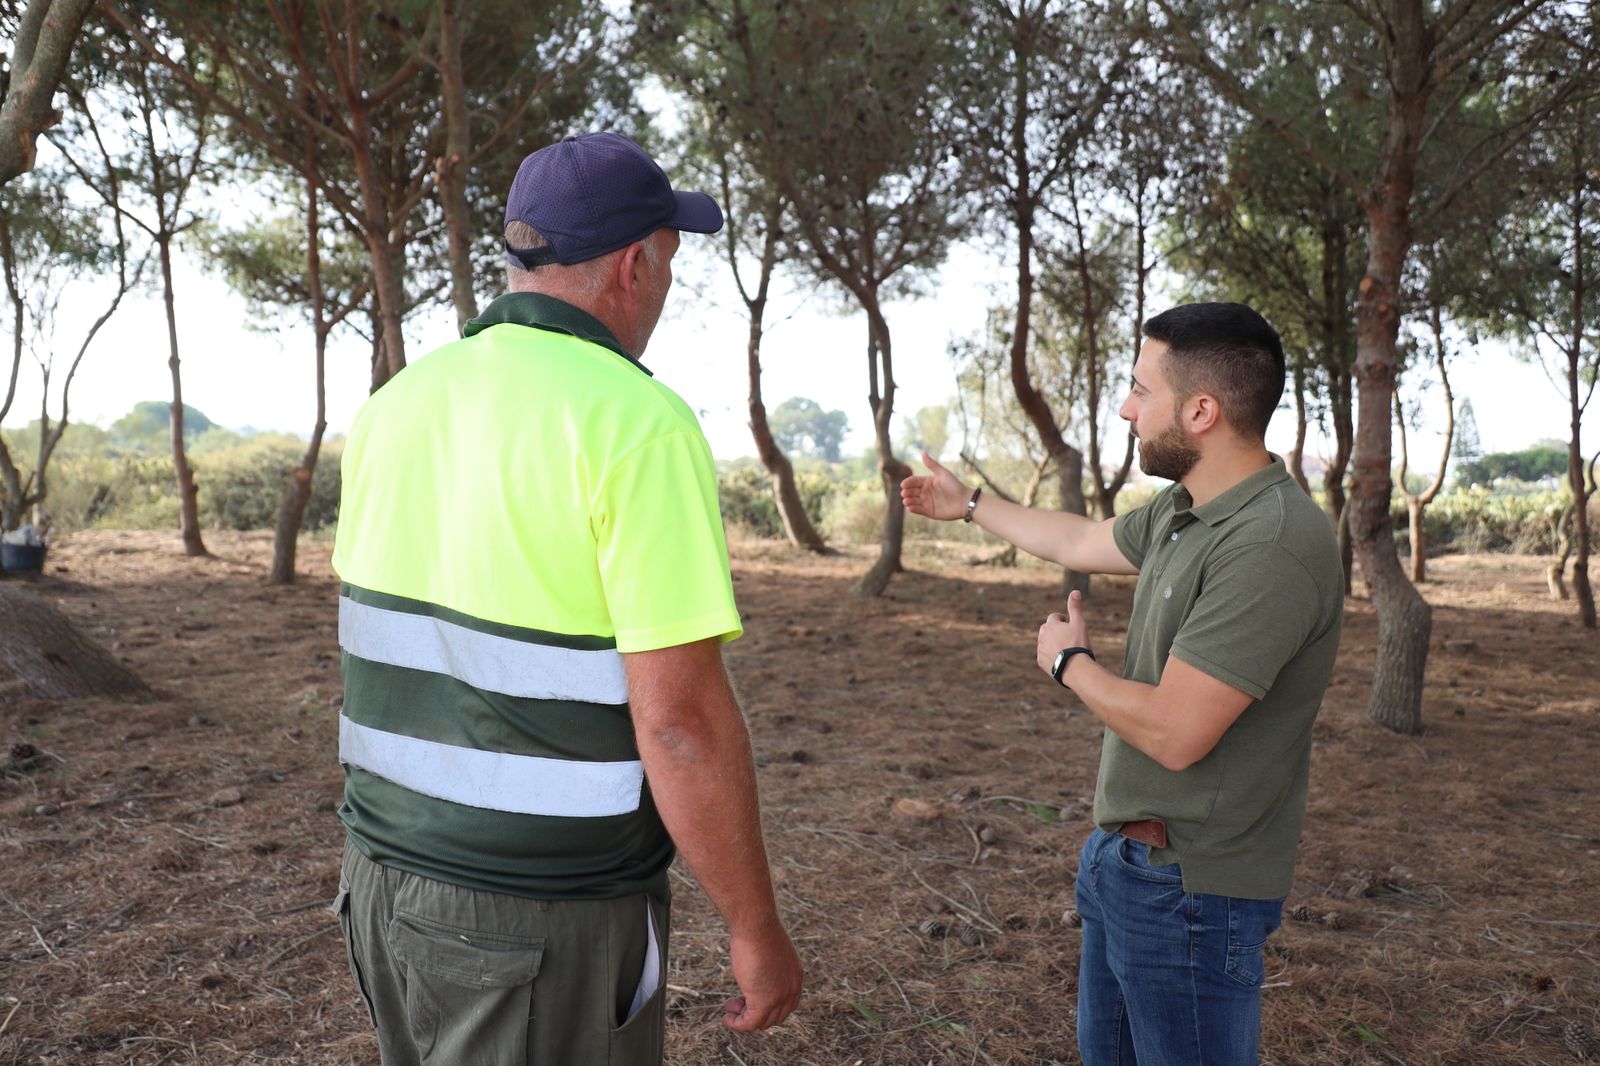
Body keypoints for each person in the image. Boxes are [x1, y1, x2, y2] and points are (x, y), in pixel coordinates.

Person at [330, 131, 802, 1066]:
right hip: (539, 924)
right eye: (669, 262)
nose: (666, 289)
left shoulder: (397, 403)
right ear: (634, 264)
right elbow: (680, 724)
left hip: (379, 882)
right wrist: (755, 926)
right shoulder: (634, 420)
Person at [902, 302, 1343, 1065]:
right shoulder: (1186, 510)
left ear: (1202, 410)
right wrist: (967, 506)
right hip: (1126, 866)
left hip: (1193, 889)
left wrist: (1070, 665)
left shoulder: (1269, 543)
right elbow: (1075, 537)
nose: (1125, 406)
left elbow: (1177, 732)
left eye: (1141, 388)